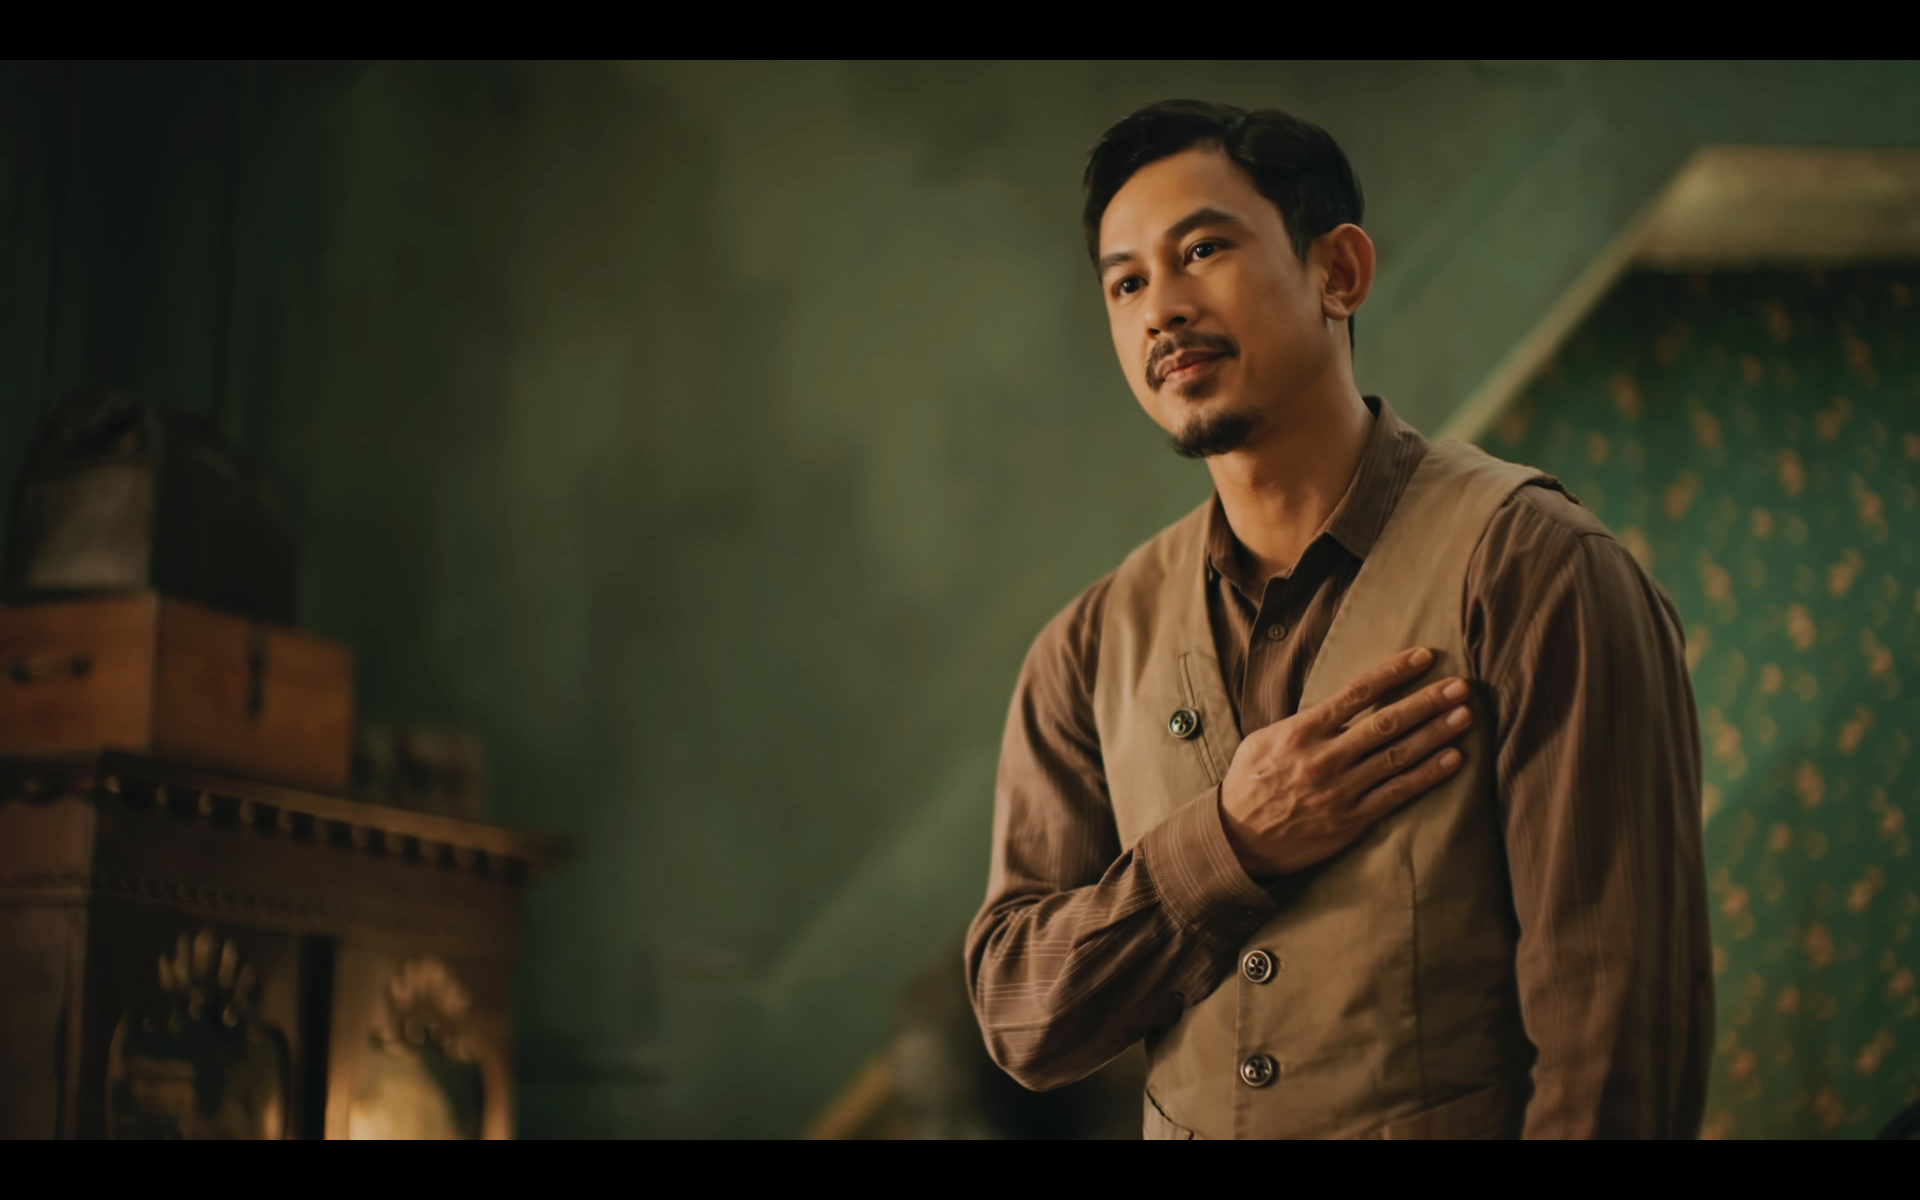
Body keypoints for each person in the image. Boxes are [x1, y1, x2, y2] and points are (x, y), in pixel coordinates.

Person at [964, 99, 1713, 1140]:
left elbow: (1615, 1029)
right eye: (1127, 281)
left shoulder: (1537, 568)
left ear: (1339, 273)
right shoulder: (1087, 647)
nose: (1160, 309)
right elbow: (1022, 1014)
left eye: (1203, 251)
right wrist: (1229, 843)